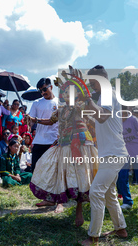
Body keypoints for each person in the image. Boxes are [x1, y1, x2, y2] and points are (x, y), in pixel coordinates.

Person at [29, 72, 98, 225]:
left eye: (70, 91)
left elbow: (88, 102)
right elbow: (50, 121)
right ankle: (59, 200)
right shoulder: (61, 109)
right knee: (61, 172)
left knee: (81, 175)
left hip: (81, 143)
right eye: (65, 91)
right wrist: (36, 120)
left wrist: (79, 84)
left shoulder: (80, 104)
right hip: (65, 143)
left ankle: (80, 211)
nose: (66, 94)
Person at [81, 65, 129, 245]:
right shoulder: (106, 95)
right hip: (111, 152)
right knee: (109, 193)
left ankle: (93, 236)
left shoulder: (108, 93)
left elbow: (103, 117)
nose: (92, 85)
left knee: (96, 191)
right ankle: (120, 228)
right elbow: (101, 121)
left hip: (113, 153)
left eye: (93, 82)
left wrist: (88, 102)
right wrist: (88, 113)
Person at [25, 78, 58, 172]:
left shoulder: (60, 102)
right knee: (36, 170)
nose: (43, 93)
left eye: (44, 89)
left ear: (51, 87)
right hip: (39, 141)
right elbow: (30, 122)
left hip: (54, 141)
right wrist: (27, 120)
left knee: (52, 171)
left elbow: (52, 121)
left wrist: (35, 120)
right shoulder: (36, 103)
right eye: (40, 91)